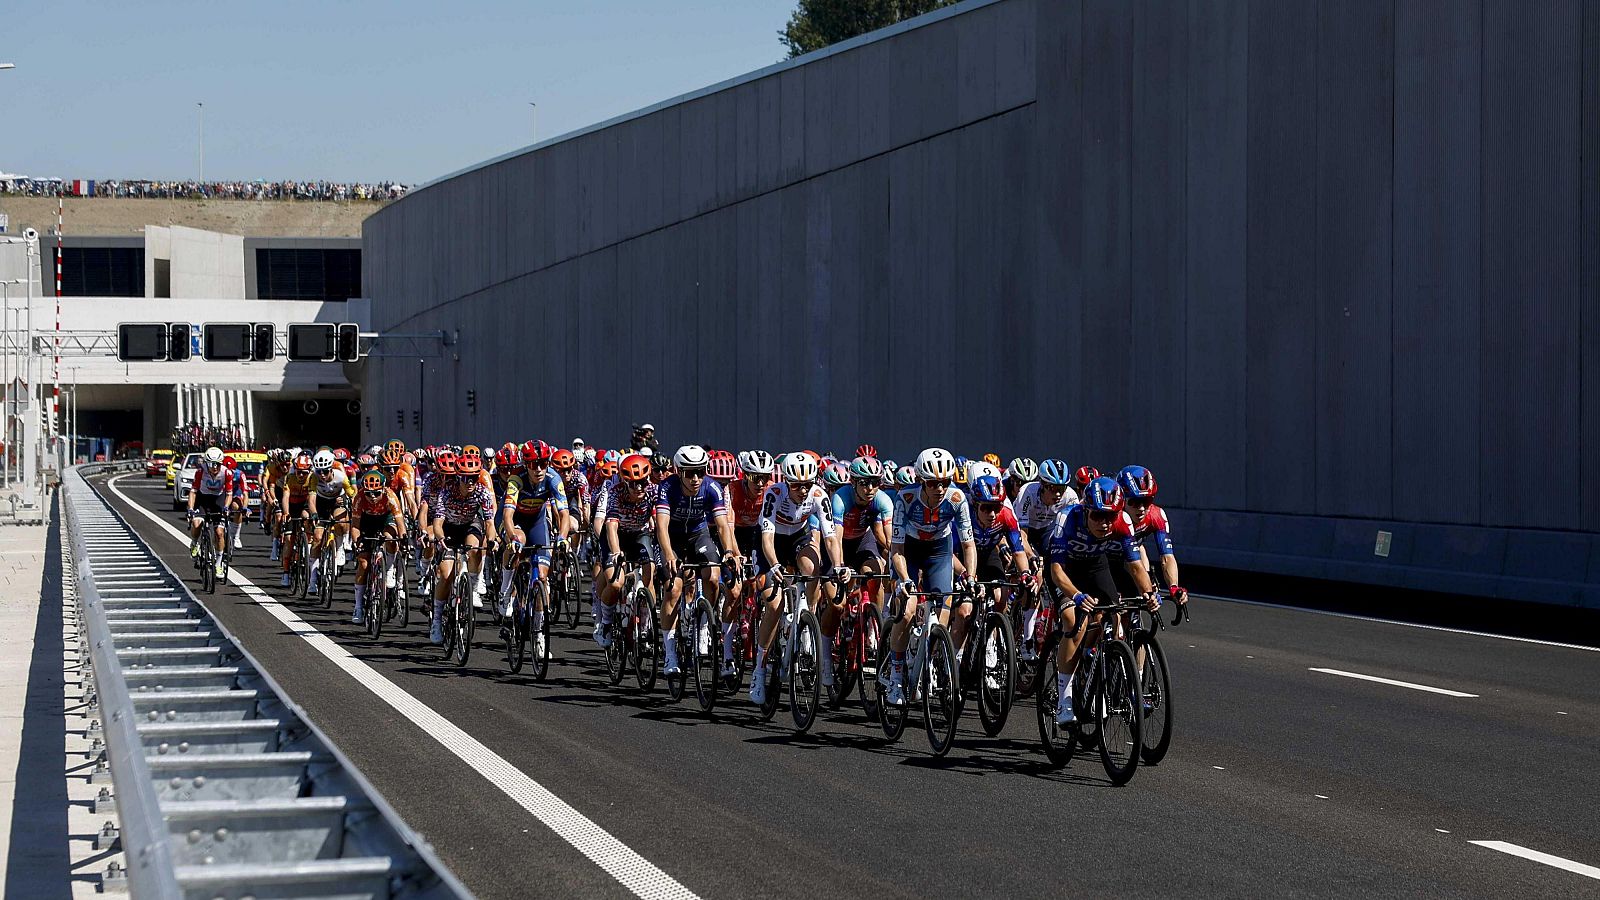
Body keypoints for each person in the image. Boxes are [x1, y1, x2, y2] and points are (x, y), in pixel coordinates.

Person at [1044, 476, 1157, 725]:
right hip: (1066, 569)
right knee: (1073, 620)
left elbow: (1136, 566)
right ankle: (1064, 699)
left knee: (1115, 615)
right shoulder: (1067, 518)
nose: (1105, 523)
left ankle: (1092, 662)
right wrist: (1076, 595)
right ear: (1086, 510)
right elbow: (1056, 572)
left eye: (1110, 517)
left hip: (1096, 566)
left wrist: (1149, 594)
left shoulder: (1123, 522)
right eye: (1097, 516)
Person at [749, 451, 842, 705]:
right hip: (771, 541)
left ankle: (807, 617)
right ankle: (759, 669)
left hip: (798, 537)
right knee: (775, 605)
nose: (803, 491)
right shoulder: (774, 494)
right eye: (797, 486)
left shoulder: (819, 496)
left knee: (813, 568)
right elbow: (767, 539)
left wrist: (839, 565)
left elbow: (831, 537)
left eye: (807, 485)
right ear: (787, 482)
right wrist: (776, 564)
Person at [885, 448, 976, 707]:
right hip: (909, 551)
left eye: (945, 482)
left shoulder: (957, 499)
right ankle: (896, 675)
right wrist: (904, 579)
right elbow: (897, 548)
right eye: (934, 483)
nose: (940, 489)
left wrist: (970, 576)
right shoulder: (905, 498)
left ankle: (930, 660)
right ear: (922, 481)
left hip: (939, 550)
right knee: (908, 611)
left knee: (943, 613)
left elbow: (968, 546)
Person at [653, 445, 737, 678]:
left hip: (698, 533)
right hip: (673, 536)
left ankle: (703, 626)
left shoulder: (712, 487)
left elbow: (721, 525)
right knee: (675, 588)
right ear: (679, 472)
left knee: (713, 575)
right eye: (690, 473)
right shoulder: (667, 487)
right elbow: (661, 526)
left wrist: (729, 551)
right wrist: (668, 553)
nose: (696, 478)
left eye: (700, 472)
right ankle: (670, 653)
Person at [598, 454, 658, 648]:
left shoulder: (654, 491)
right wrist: (616, 553)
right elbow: (611, 526)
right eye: (633, 484)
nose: (639, 488)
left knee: (650, 571)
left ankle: (646, 626)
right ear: (625, 482)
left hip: (640, 535)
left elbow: (663, 516)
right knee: (615, 584)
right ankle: (605, 624)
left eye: (642, 482)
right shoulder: (615, 493)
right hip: (616, 537)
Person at [349, 468, 406, 626]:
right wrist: (357, 541)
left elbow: (400, 522)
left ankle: (388, 570)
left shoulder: (390, 496)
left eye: (376, 493)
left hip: (384, 519)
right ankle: (359, 606)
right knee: (363, 563)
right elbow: (354, 526)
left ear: (383, 489)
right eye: (368, 493)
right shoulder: (359, 498)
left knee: (391, 538)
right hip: (366, 522)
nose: (372, 497)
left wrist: (403, 538)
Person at [186, 446, 234, 580]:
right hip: (203, 498)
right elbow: (193, 492)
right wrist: (190, 509)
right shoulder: (200, 472)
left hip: (218, 498)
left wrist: (226, 507)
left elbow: (229, 494)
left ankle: (219, 564)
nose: (215, 467)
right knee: (196, 523)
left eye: (218, 464)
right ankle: (194, 543)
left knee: (219, 533)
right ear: (207, 464)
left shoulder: (227, 473)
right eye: (212, 464)